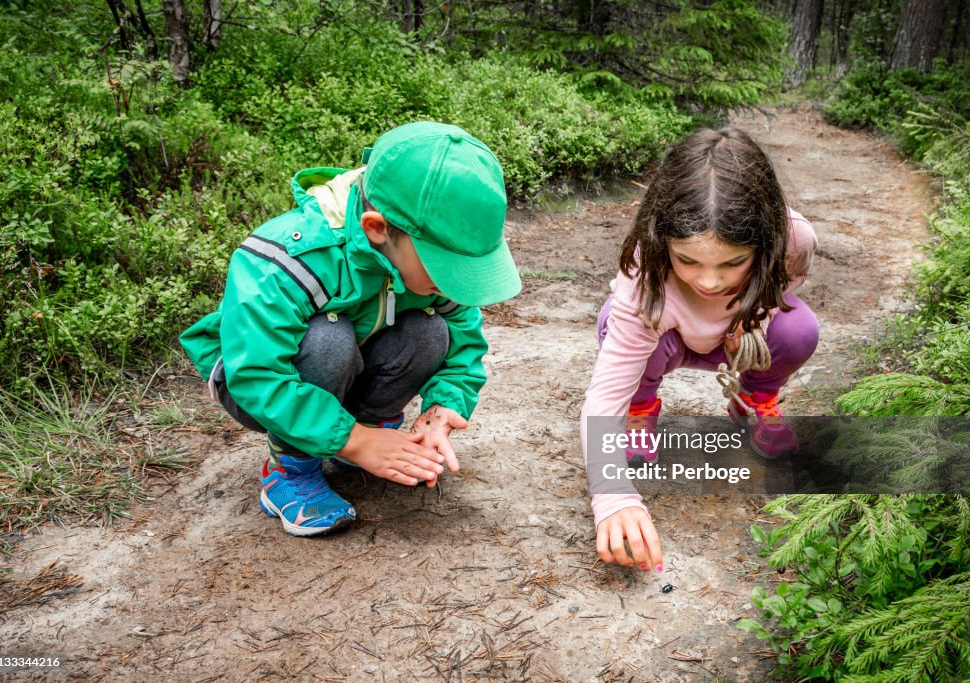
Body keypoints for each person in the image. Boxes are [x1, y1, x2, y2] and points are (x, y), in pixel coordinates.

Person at [180, 121, 522, 537]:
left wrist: (444, 406)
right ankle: (290, 469)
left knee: (430, 332)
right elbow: (257, 375)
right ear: (377, 229)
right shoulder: (287, 259)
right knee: (328, 340)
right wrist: (356, 441)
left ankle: (360, 433)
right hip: (254, 382)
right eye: (445, 266)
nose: (456, 282)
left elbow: (463, 343)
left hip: (349, 367)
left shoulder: (425, 264)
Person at [581, 128, 819, 571]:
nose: (709, 282)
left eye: (733, 263)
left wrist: (752, 320)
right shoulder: (644, 262)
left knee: (798, 329)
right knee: (615, 319)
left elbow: (782, 289)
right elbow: (604, 392)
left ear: (765, 243)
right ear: (661, 238)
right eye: (687, 260)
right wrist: (611, 498)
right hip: (665, 343)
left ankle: (755, 396)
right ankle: (643, 404)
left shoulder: (795, 240)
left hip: (737, 345)